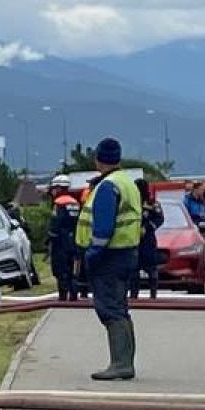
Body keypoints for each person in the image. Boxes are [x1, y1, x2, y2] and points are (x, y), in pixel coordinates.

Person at [76, 137, 144, 380]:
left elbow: (103, 228)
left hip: (109, 257)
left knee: (110, 309)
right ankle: (124, 361)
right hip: (126, 253)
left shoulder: (107, 186)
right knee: (120, 308)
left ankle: (121, 363)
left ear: (97, 159)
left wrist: (92, 255)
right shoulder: (127, 182)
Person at [46, 174, 82, 302]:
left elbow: (56, 223)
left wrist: (50, 238)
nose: (52, 191)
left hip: (61, 242)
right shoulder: (75, 203)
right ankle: (74, 295)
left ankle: (63, 296)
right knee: (73, 269)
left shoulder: (59, 203)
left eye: (54, 188)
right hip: (74, 240)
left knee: (60, 269)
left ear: (59, 188)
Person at [133, 178, 164, 299]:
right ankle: (133, 295)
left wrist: (147, 227)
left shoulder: (152, 202)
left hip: (148, 239)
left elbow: (159, 218)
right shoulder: (131, 201)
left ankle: (153, 294)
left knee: (151, 267)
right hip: (133, 238)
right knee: (133, 268)